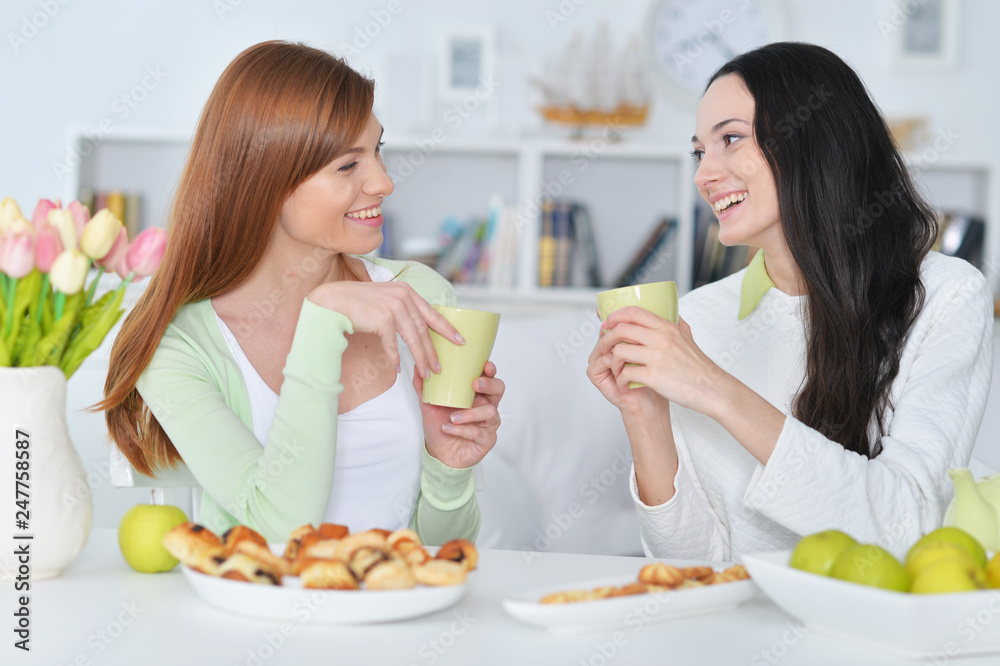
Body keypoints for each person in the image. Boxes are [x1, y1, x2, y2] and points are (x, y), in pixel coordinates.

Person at [587, 42, 993, 561]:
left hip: (865, 633)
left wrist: (713, 388)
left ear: (815, 141)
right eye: (698, 151)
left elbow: (906, 524)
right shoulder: (696, 317)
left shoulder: (946, 295)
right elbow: (689, 562)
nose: (702, 175)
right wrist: (644, 415)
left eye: (730, 139)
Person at [100, 41, 505, 546]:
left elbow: (445, 550)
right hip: (253, 615)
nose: (383, 182)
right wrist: (321, 321)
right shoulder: (179, 344)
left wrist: (447, 465)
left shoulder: (418, 294)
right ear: (265, 180)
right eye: (346, 166)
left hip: (396, 615)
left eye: (377, 150)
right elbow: (278, 532)